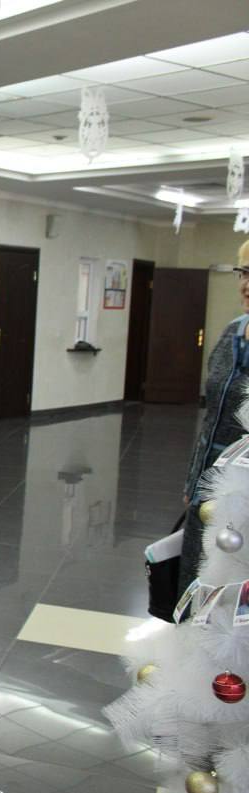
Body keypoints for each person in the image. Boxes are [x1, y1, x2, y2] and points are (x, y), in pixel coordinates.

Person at [181, 239, 249, 592]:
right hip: (210, 484)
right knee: (196, 583)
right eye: (245, 272)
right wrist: (194, 483)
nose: (247, 284)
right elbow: (212, 419)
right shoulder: (232, 332)